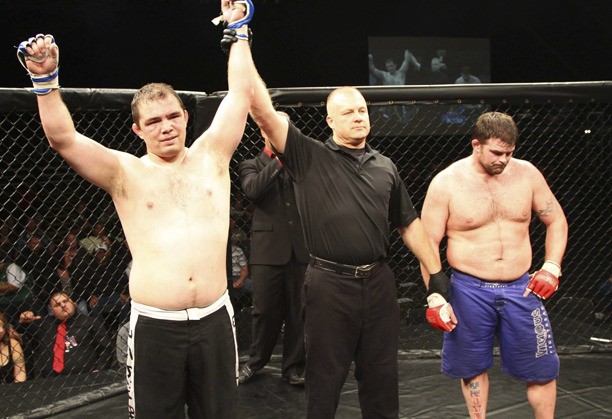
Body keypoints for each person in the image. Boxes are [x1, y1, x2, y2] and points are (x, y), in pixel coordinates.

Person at [16, 0, 255, 416]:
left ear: (185, 117)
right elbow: (64, 139)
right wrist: (45, 81)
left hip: (216, 318)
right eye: (154, 121)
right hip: (156, 325)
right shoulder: (125, 172)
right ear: (138, 129)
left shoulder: (213, 154)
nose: (166, 127)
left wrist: (240, 31)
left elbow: (240, 94)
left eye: (172, 116)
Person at [230, 25, 447, 416]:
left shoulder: (385, 166)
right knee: (324, 380)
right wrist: (240, 36)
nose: (358, 117)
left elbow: (409, 224)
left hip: (378, 283)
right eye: (348, 112)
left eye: (362, 110)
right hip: (329, 285)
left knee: (382, 379)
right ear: (330, 120)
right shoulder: (309, 156)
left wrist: (437, 276)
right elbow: (260, 108)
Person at [420, 111, 568, 418]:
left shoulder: (527, 174)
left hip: (521, 287)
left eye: (509, 153)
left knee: (542, 369)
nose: (503, 160)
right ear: (476, 144)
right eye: (496, 153)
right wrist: (436, 296)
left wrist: (551, 266)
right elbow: (427, 245)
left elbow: (556, 220)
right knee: (471, 368)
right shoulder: (447, 183)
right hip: (469, 290)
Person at [237, 119, 309, 386]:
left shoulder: (303, 164)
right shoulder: (251, 164)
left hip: (301, 249)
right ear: (265, 132)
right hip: (268, 251)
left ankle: (293, 367)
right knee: (265, 310)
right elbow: (252, 190)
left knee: (299, 311)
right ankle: (256, 361)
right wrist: (280, 160)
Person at [18, 291, 111, 378]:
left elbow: (106, 349)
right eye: (57, 305)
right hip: (49, 381)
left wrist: (99, 370)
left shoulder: (90, 322)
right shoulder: (44, 324)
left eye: (65, 301)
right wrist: (25, 318)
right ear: (52, 310)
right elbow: (20, 329)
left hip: (85, 378)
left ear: (74, 304)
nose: (63, 305)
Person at [0, 309, 27, 385]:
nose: (1, 330)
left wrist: (16, 390)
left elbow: (20, 373)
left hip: (14, 390)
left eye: (3, 326)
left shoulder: (13, 344)